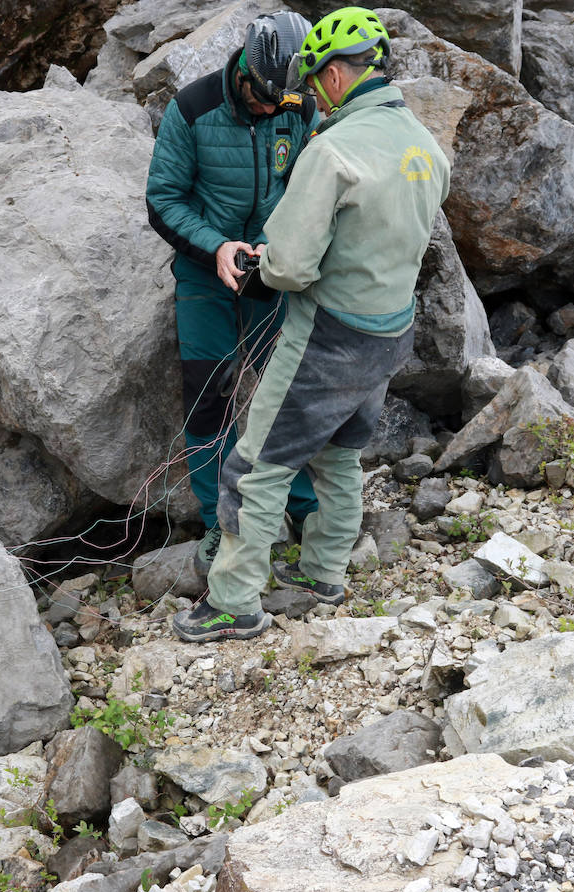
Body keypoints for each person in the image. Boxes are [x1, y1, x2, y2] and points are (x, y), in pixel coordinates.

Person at [171, 7, 451, 643]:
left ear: (332, 75)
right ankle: (326, 572)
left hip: (325, 337)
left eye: (315, 78)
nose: (311, 92)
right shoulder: (424, 145)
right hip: (389, 333)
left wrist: (260, 262)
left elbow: (294, 267)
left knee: (256, 466)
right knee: (340, 455)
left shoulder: (333, 150)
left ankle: (234, 602)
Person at [145, 11, 320, 576]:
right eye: (267, 98)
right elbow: (163, 199)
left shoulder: (300, 106)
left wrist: (275, 247)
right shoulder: (192, 109)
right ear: (245, 70)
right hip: (205, 275)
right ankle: (223, 524)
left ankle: (305, 513)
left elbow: (307, 190)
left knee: (287, 391)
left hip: (273, 271)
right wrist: (217, 246)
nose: (274, 109)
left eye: (284, 100)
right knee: (209, 395)